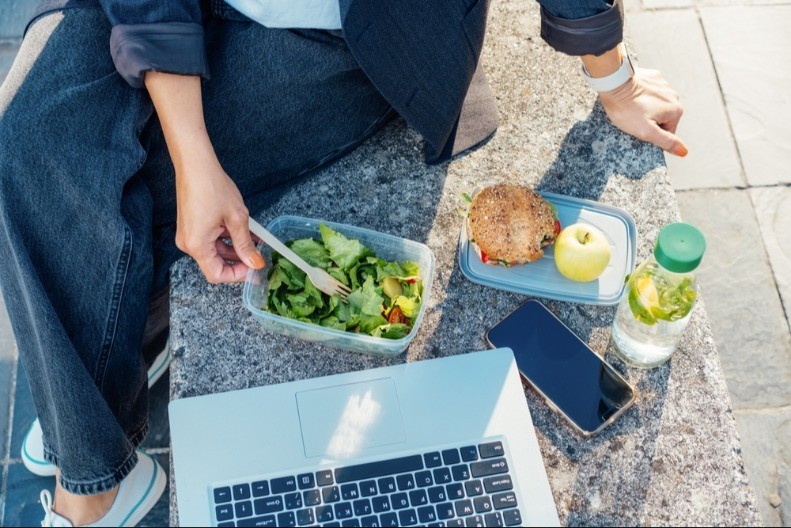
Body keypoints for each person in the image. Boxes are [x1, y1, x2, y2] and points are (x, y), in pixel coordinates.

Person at [0, 0, 684, 525]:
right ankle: (92, 422)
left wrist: (615, 80)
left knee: (126, 191)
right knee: (24, 146)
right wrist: (193, 152)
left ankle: (86, 459)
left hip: (332, 31)